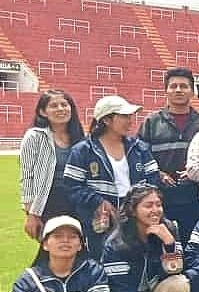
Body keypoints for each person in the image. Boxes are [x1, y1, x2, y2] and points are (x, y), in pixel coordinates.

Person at [101, 184, 196, 292]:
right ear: (132, 210)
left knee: (179, 283)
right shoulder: (116, 243)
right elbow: (119, 291)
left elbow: (177, 271)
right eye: (148, 205)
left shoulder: (168, 229)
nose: (155, 210)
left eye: (158, 204)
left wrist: (169, 244)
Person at [64, 95, 161, 258]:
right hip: (100, 222)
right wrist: (99, 202)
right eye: (124, 116)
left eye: (130, 116)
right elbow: (71, 186)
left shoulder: (139, 148)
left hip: (136, 219)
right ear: (107, 120)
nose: (130, 121)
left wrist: (139, 206)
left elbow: (153, 179)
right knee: (102, 261)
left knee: (138, 260)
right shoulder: (83, 150)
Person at [137, 68, 199, 243]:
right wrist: (158, 174)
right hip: (160, 198)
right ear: (166, 91)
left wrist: (195, 173)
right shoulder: (152, 122)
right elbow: (140, 156)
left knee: (192, 241)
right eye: (173, 86)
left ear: (192, 90)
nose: (179, 90)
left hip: (195, 196)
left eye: (184, 86)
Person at [20, 89, 85, 240]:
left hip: (77, 201)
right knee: (52, 247)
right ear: (43, 112)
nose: (61, 109)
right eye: (54, 106)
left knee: (78, 247)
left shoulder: (80, 138)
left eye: (64, 104)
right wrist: (31, 214)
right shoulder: (35, 136)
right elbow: (27, 177)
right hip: (48, 202)